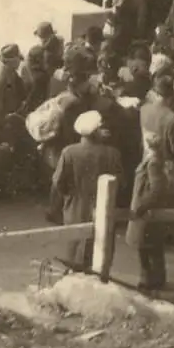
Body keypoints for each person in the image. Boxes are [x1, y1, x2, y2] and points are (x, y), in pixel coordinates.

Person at [50, 110, 123, 270]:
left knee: (73, 252)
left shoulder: (69, 152)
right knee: (99, 253)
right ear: (95, 131)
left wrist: (69, 196)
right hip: (103, 209)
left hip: (74, 209)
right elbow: (121, 183)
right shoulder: (112, 154)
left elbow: (58, 181)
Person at [127, 130, 174, 291]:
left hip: (145, 212)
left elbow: (156, 188)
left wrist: (142, 206)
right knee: (152, 246)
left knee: (146, 247)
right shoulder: (155, 159)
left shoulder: (153, 162)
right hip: (147, 210)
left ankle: (149, 280)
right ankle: (156, 278)